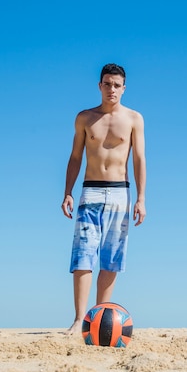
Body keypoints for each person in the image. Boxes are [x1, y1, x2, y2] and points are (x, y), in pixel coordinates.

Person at [61, 63, 146, 335]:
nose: (112, 89)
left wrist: (141, 198)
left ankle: (102, 319)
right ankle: (79, 319)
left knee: (111, 259)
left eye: (117, 85)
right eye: (107, 84)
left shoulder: (134, 118)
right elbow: (75, 157)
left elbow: (139, 159)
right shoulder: (85, 118)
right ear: (100, 86)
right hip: (91, 191)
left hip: (121, 192)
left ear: (124, 88)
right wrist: (67, 192)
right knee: (83, 256)